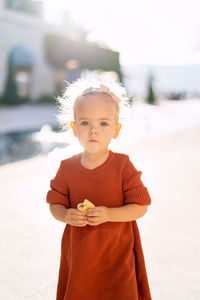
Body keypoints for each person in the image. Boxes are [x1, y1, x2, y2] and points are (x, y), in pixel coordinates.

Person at [46, 78, 152, 300]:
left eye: (103, 123)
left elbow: (140, 206)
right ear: (74, 128)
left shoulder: (122, 166)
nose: (94, 130)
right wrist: (65, 214)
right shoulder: (67, 168)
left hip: (118, 255)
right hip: (81, 258)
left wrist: (110, 214)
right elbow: (55, 203)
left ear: (116, 129)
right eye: (85, 123)